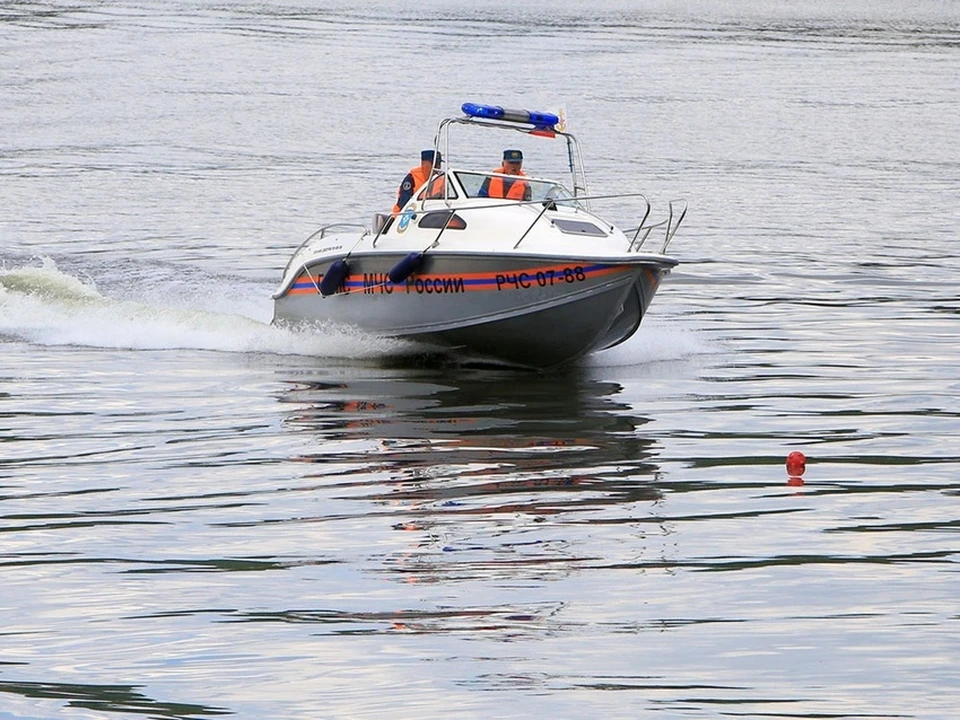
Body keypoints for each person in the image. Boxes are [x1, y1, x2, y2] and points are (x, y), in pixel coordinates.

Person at [392, 149, 443, 215]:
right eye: (436, 164)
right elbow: (404, 202)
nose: (438, 167)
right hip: (404, 217)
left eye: (439, 164)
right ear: (425, 164)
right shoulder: (411, 178)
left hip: (431, 216)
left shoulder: (441, 180)